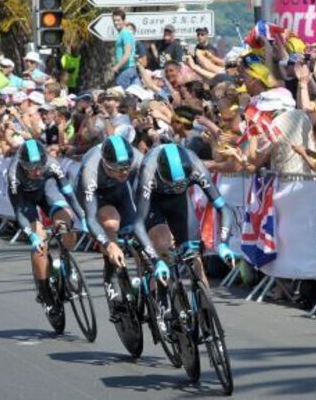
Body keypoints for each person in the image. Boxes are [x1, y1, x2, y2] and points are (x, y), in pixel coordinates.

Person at [134, 143, 236, 291]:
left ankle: (203, 302)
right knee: (162, 243)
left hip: (179, 200)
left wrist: (224, 244)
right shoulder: (148, 171)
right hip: (153, 201)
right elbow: (138, 224)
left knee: (195, 258)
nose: (175, 187)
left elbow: (224, 208)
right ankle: (158, 294)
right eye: (172, 184)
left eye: (180, 184)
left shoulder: (196, 167)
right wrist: (156, 260)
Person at [7, 139, 87, 316]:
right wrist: (32, 236)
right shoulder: (14, 174)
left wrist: (83, 217)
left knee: (66, 223)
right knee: (40, 242)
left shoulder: (51, 164)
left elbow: (68, 194)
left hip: (46, 192)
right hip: (25, 201)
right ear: (23, 165)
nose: (36, 171)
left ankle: (67, 261)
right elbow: (19, 212)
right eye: (31, 168)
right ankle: (45, 293)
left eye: (39, 166)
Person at [74, 135, 143, 318]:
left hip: (120, 191)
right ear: (105, 163)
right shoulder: (90, 170)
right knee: (110, 223)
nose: (123, 172)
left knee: (140, 238)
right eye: (117, 168)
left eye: (126, 167)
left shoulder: (137, 158)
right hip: (96, 196)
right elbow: (91, 219)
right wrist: (109, 245)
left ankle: (146, 285)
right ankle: (111, 273)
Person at [110, 9, 137, 89]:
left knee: (121, 95)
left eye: (118, 20)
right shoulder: (124, 33)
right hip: (129, 69)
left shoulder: (125, 33)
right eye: (114, 20)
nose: (116, 23)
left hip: (126, 70)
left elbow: (127, 54)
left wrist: (116, 67)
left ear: (124, 21)